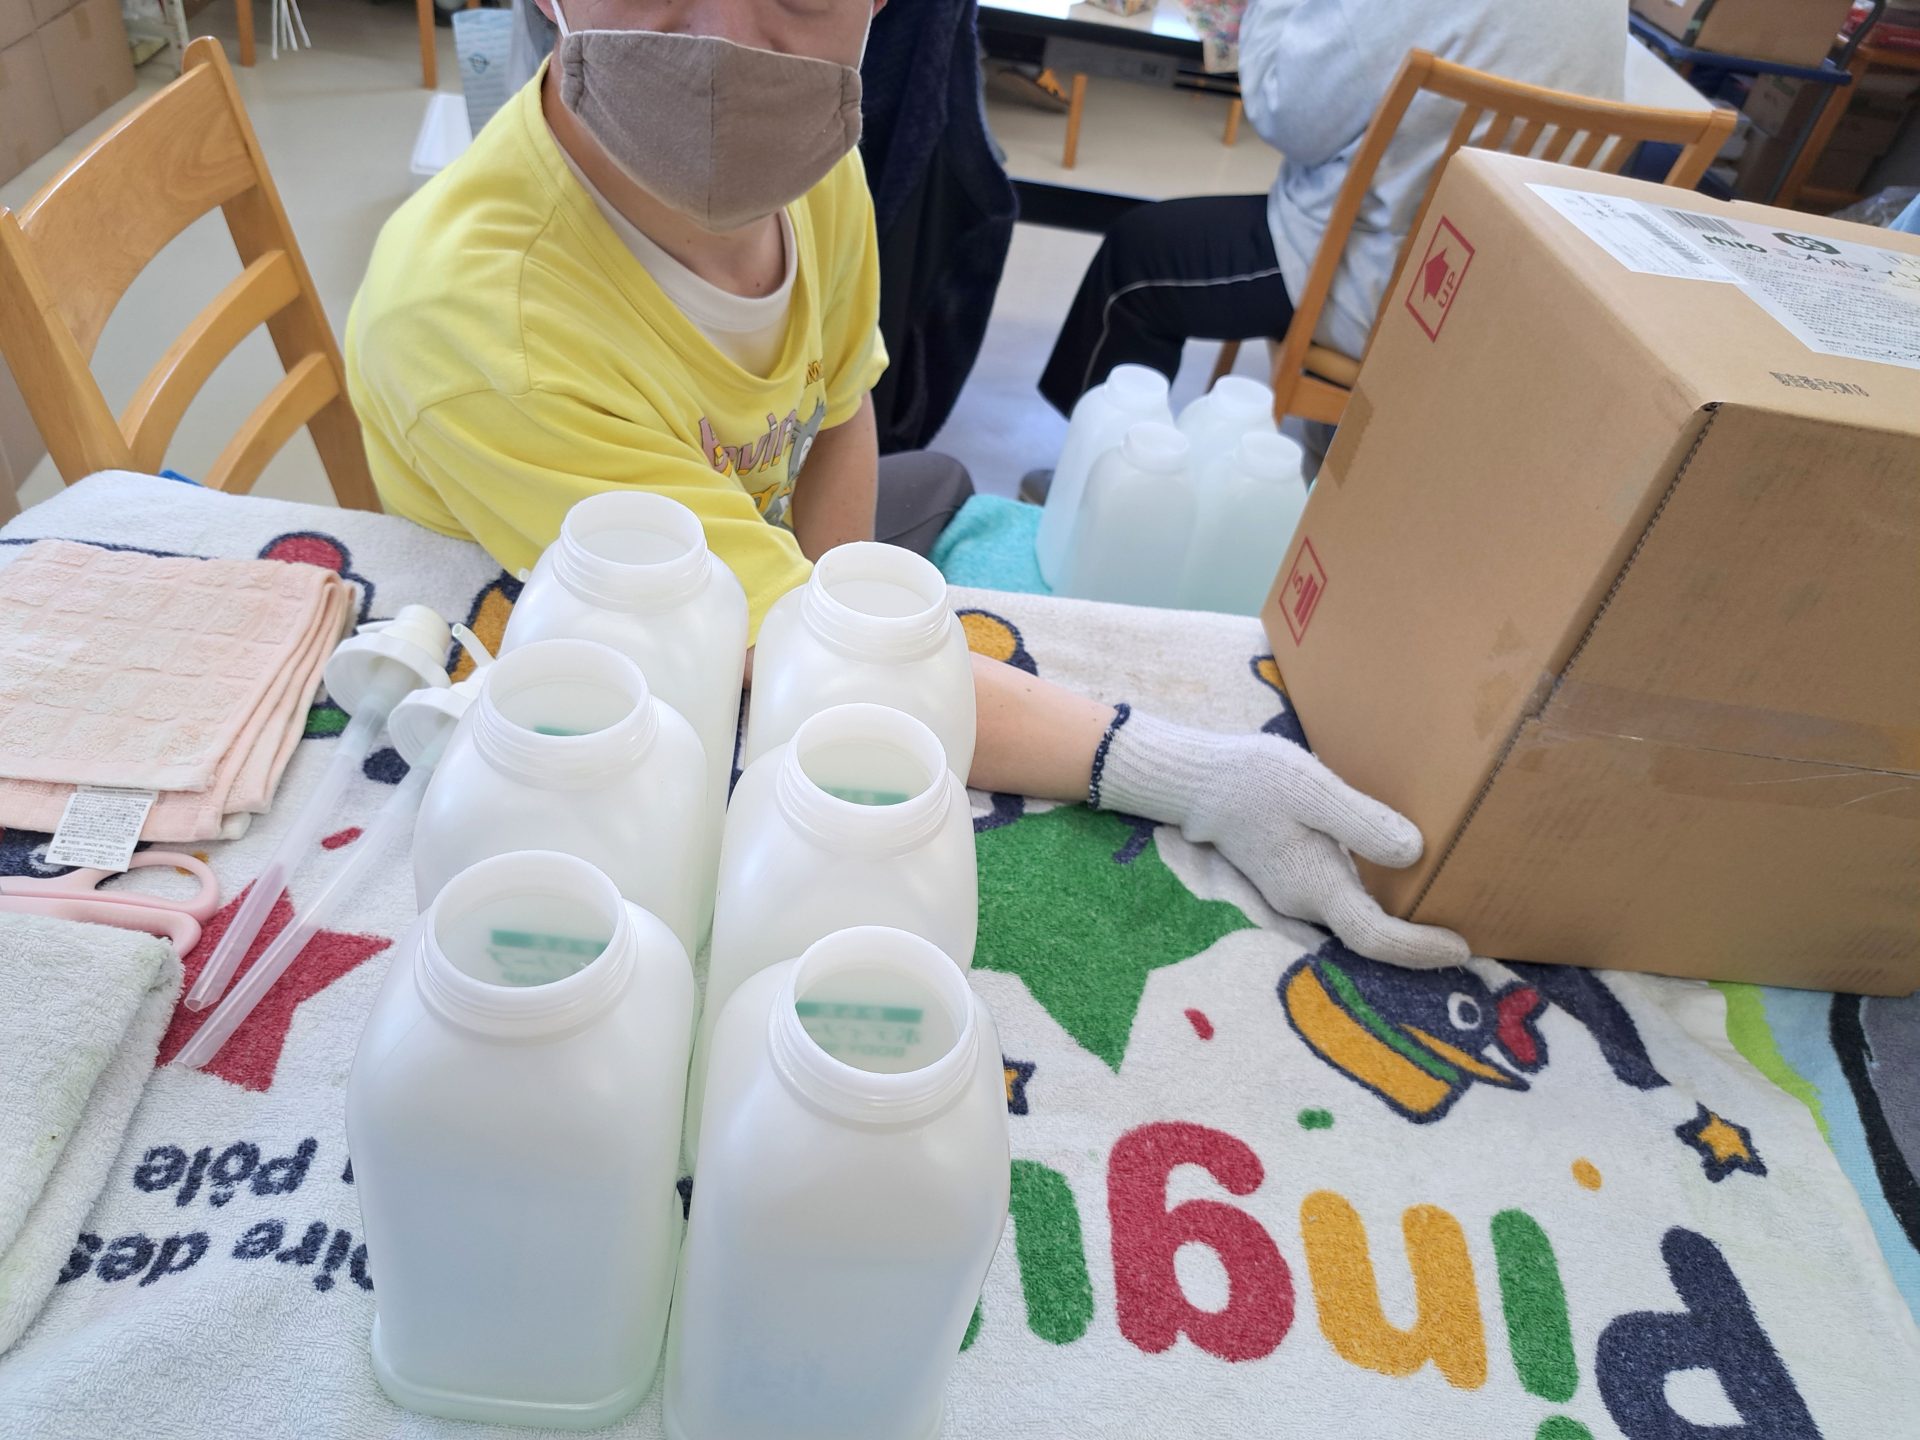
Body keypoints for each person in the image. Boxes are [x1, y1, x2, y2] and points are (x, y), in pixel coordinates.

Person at [345, 0, 1467, 968]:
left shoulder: (811, 163)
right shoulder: (483, 325)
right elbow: (764, 647)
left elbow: (839, 404)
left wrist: (848, 611)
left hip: (751, 563)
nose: (727, 49)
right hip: (599, 710)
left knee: (938, 488)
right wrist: (1184, 773)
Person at [1036, 0, 1627, 416]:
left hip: (1393, 293)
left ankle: (1086, 485)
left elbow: (1286, 114)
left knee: (1138, 257)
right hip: (1516, 304)